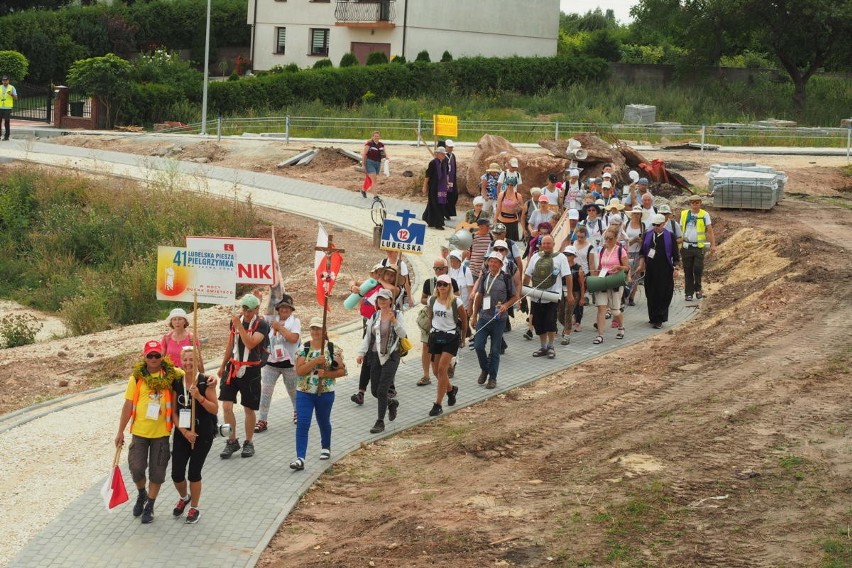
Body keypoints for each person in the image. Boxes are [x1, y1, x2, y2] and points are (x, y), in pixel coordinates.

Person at [115, 339, 184, 524]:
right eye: (150, 355)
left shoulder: (172, 374)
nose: (154, 358)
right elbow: (128, 405)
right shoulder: (136, 378)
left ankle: (150, 505)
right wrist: (120, 431)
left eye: (157, 355)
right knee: (136, 468)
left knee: (158, 472)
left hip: (161, 433)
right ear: (144, 357)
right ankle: (141, 493)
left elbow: (191, 374)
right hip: (140, 432)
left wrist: (209, 379)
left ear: (162, 356)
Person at [217, 293, 269, 459]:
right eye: (244, 309)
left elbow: (251, 343)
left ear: (256, 309)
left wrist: (239, 325)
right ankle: (232, 441)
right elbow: (230, 344)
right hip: (233, 367)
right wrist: (222, 365)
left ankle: (249, 441)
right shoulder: (235, 321)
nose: (246, 313)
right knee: (226, 406)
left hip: (251, 371)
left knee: (248, 409)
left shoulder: (262, 324)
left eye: (250, 310)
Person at [290, 317, 347, 470]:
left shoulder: (333, 349)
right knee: (303, 423)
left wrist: (326, 374)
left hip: (325, 392)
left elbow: (342, 371)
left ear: (324, 330)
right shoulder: (304, 348)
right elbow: (300, 371)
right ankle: (300, 458)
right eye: (313, 329)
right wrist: (315, 362)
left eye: (319, 328)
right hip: (304, 392)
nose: (315, 332)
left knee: (323, 420)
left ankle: (325, 447)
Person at [170, 346, 218, 524]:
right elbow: (173, 412)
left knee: (194, 473)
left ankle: (194, 508)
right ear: (180, 361)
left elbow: (214, 408)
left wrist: (199, 397)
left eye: (192, 360)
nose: (188, 363)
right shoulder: (177, 381)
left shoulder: (206, 382)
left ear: (197, 361)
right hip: (182, 432)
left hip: (202, 434)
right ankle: (184, 497)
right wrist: (184, 432)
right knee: (176, 473)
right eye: (186, 360)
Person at [356, 289, 406, 434]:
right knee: (374, 391)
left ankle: (380, 421)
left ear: (390, 300)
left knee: (382, 389)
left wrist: (394, 322)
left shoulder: (397, 315)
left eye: (385, 298)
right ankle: (391, 403)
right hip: (375, 355)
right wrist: (361, 353)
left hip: (391, 356)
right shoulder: (375, 316)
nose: (382, 301)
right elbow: (367, 337)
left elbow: (403, 334)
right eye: (380, 299)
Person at [471, 252, 518, 389]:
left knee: (495, 350)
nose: (492, 264)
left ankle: (492, 378)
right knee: (478, 346)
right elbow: (479, 295)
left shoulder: (506, 278)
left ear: (501, 264)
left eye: (495, 262)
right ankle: (485, 368)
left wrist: (505, 306)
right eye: (490, 261)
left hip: (499, 319)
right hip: (484, 317)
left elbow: (515, 296)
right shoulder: (484, 276)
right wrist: (474, 315)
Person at [255, 295, 301, 433]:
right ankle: (262, 420)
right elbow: (257, 321)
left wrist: (279, 328)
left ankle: (297, 412)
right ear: (278, 309)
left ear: (291, 309)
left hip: (289, 364)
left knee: (293, 392)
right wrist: (258, 301)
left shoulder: (295, 322)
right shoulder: (271, 320)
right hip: (271, 362)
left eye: (287, 307)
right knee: (266, 392)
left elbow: (293, 338)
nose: (284, 309)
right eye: (282, 307)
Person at [426, 274, 468, 416]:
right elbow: (430, 317)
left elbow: (464, 320)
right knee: (436, 372)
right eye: (439, 284)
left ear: (449, 286)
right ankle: (450, 390)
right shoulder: (431, 300)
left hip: (450, 337)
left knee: (442, 369)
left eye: (445, 284)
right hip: (435, 335)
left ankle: (438, 404)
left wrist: (463, 339)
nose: (442, 287)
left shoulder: (457, 302)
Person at [524, 235, 571, 359]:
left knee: (550, 322)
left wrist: (570, 294)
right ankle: (543, 347)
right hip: (536, 296)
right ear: (540, 245)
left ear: (554, 244)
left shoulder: (561, 257)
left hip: (553, 296)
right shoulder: (535, 257)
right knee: (538, 323)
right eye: (544, 243)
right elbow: (528, 275)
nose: (546, 246)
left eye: (548, 243)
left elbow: (568, 276)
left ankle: (551, 346)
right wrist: (523, 291)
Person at [417, 258, 460, 386]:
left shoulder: (452, 282)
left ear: (446, 268)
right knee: (426, 346)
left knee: (444, 347)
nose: (439, 271)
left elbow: (457, 299)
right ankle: (426, 375)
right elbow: (423, 299)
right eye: (436, 268)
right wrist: (432, 300)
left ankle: (449, 366)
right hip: (431, 320)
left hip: (447, 321)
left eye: (441, 268)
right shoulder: (428, 283)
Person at [639, 214, 681, 329]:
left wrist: (676, 268)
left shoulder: (670, 236)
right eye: (654, 225)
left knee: (663, 293)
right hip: (651, 270)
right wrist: (641, 265)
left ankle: (659, 318)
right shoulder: (648, 235)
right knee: (651, 293)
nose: (656, 227)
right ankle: (652, 316)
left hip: (665, 270)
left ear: (663, 224)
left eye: (658, 225)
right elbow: (642, 252)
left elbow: (675, 254)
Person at [591, 228, 630, 345]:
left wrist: (618, 267)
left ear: (616, 239)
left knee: (615, 310)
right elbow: (599, 266)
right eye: (606, 238)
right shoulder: (602, 250)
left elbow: (627, 267)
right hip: (603, 281)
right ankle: (600, 335)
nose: (607, 240)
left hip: (615, 281)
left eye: (610, 238)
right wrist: (595, 278)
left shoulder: (620, 250)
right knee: (601, 308)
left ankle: (621, 327)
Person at [680, 195, 716, 301]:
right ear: (690, 204)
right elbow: (681, 229)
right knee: (688, 270)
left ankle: (698, 289)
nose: (695, 204)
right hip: (686, 246)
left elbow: (709, 230)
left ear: (700, 203)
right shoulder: (684, 214)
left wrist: (713, 244)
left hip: (698, 247)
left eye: (697, 202)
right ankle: (689, 292)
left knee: (697, 269)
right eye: (693, 202)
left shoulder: (705, 215)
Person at [572, 226, 597, 332]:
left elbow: (591, 263)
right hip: (573, 274)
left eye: (582, 237)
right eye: (578, 237)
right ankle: (574, 315)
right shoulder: (574, 244)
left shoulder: (590, 247)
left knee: (580, 299)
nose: (579, 239)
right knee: (573, 297)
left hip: (584, 274)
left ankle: (578, 321)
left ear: (585, 236)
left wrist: (592, 277)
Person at [560, 247, 585, 344]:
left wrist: (582, 298)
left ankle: (566, 335)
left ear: (574, 256)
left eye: (569, 254)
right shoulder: (561, 266)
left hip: (574, 292)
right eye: (565, 254)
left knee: (568, 313)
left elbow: (582, 285)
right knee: (560, 314)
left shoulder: (578, 268)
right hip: (562, 291)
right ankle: (567, 327)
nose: (567, 256)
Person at [624, 206, 647, 306]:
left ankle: (631, 297)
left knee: (635, 275)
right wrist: (633, 241)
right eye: (635, 213)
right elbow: (623, 240)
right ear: (631, 214)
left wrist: (641, 241)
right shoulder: (626, 224)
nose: (636, 215)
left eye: (638, 213)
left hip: (638, 253)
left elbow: (645, 241)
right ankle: (624, 295)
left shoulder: (643, 226)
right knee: (626, 274)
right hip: (626, 252)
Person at [421, 147, 449, 230]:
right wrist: (425, 186)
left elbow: (446, 173)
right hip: (434, 186)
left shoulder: (445, 162)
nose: (444, 155)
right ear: (437, 154)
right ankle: (438, 223)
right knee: (435, 204)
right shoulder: (433, 163)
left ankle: (427, 218)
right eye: (442, 154)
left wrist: (447, 183)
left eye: (444, 154)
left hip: (442, 187)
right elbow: (428, 175)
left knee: (438, 204)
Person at [360, 130, 386, 198]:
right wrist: (363, 164)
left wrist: (386, 158)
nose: (376, 137)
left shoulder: (381, 144)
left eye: (377, 136)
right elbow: (364, 154)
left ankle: (363, 190)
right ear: (372, 137)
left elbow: (383, 154)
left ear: (379, 137)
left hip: (378, 163)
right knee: (374, 180)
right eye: (375, 136)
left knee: (369, 179)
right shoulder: (369, 144)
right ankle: (375, 196)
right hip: (370, 163)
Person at [0, 76, 17, 141]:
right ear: (2, 81)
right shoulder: (0, 87)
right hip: (0, 107)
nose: (5, 82)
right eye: (4, 80)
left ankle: (6, 136)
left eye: (6, 80)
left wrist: (11, 94)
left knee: (7, 122)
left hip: (7, 108)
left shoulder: (12, 87)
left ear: (8, 81)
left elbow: (16, 98)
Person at [444, 139, 458, 219]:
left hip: (452, 180)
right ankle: (443, 212)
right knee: (444, 197)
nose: (451, 149)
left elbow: (454, 168)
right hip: (444, 180)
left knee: (453, 196)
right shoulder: (442, 156)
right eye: (449, 147)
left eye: (452, 147)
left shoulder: (453, 156)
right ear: (445, 147)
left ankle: (449, 212)